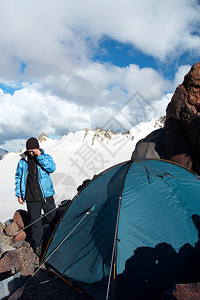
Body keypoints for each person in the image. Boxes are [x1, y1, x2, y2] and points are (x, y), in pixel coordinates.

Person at [15, 137, 56, 256]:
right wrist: (19, 194)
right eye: (30, 151)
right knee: (35, 223)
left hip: (46, 195)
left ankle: (56, 240)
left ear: (38, 148)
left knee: (52, 217)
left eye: (34, 150)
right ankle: (38, 246)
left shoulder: (45, 157)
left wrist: (40, 156)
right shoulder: (23, 161)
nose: (32, 153)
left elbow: (52, 168)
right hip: (31, 197)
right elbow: (18, 178)